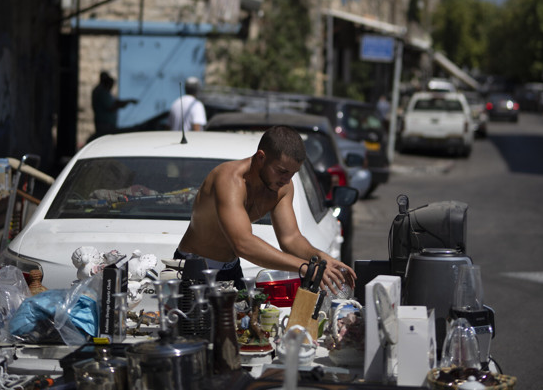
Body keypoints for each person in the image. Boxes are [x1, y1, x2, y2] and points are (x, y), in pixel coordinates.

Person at [175, 125, 355, 293]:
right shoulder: (229, 180)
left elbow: (290, 238)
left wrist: (320, 257)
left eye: (292, 173)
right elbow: (243, 243)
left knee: (244, 325)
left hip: (230, 269)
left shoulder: (282, 187)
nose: (286, 179)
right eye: (282, 171)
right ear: (261, 157)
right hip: (194, 268)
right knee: (195, 328)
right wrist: (305, 268)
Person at [91, 71, 137, 138]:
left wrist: (128, 101)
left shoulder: (102, 91)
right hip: (105, 124)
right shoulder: (102, 92)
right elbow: (111, 107)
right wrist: (125, 103)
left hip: (105, 123)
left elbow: (114, 102)